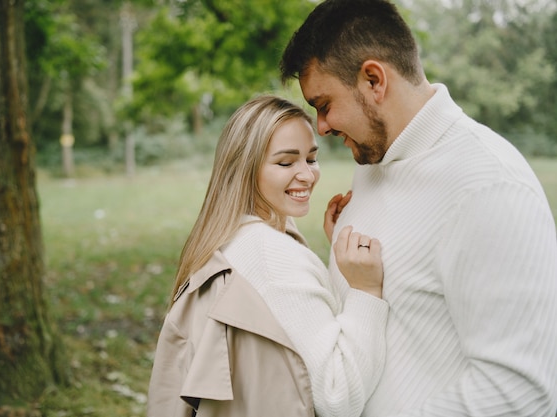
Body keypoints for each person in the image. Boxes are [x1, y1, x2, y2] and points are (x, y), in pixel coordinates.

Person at [280, 1, 557, 416]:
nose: (321, 126)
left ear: (374, 79)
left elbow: (518, 392)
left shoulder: (490, 187)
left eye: (323, 105)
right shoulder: (378, 161)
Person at [147, 95, 389, 417]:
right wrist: (365, 292)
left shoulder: (227, 239)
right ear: (245, 169)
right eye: (286, 163)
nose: (307, 175)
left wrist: (334, 257)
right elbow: (337, 397)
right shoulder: (274, 258)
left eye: (311, 159)